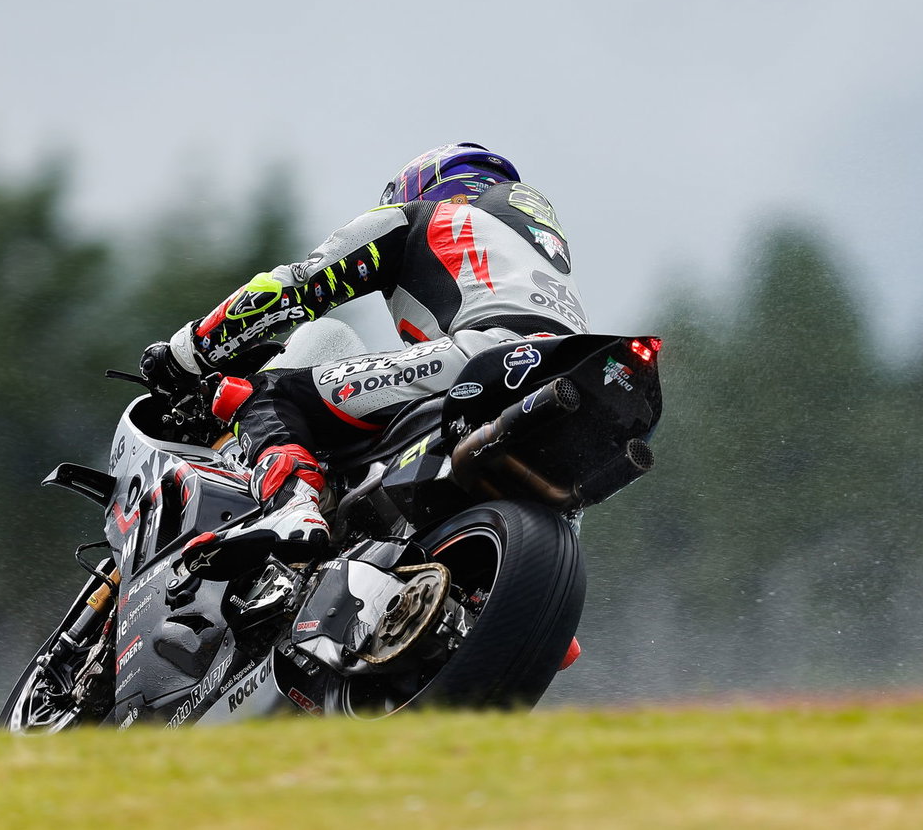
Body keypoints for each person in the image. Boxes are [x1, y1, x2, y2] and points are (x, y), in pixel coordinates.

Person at [141, 142, 589, 577]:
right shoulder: (539, 261)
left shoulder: (422, 217)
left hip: (487, 359)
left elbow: (293, 289)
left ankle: (291, 507)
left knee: (268, 393)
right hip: (576, 386)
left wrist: (186, 354)